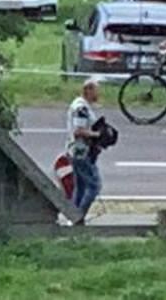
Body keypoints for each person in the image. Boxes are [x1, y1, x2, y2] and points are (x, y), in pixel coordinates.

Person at [65, 79, 105, 223]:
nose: (98, 93)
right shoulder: (81, 108)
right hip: (81, 152)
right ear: (88, 90)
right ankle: (78, 217)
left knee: (80, 187)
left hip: (76, 151)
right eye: (96, 90)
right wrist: (97, 135)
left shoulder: (81, 105)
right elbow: (79, 131)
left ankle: (72, 216)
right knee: (94, 186)